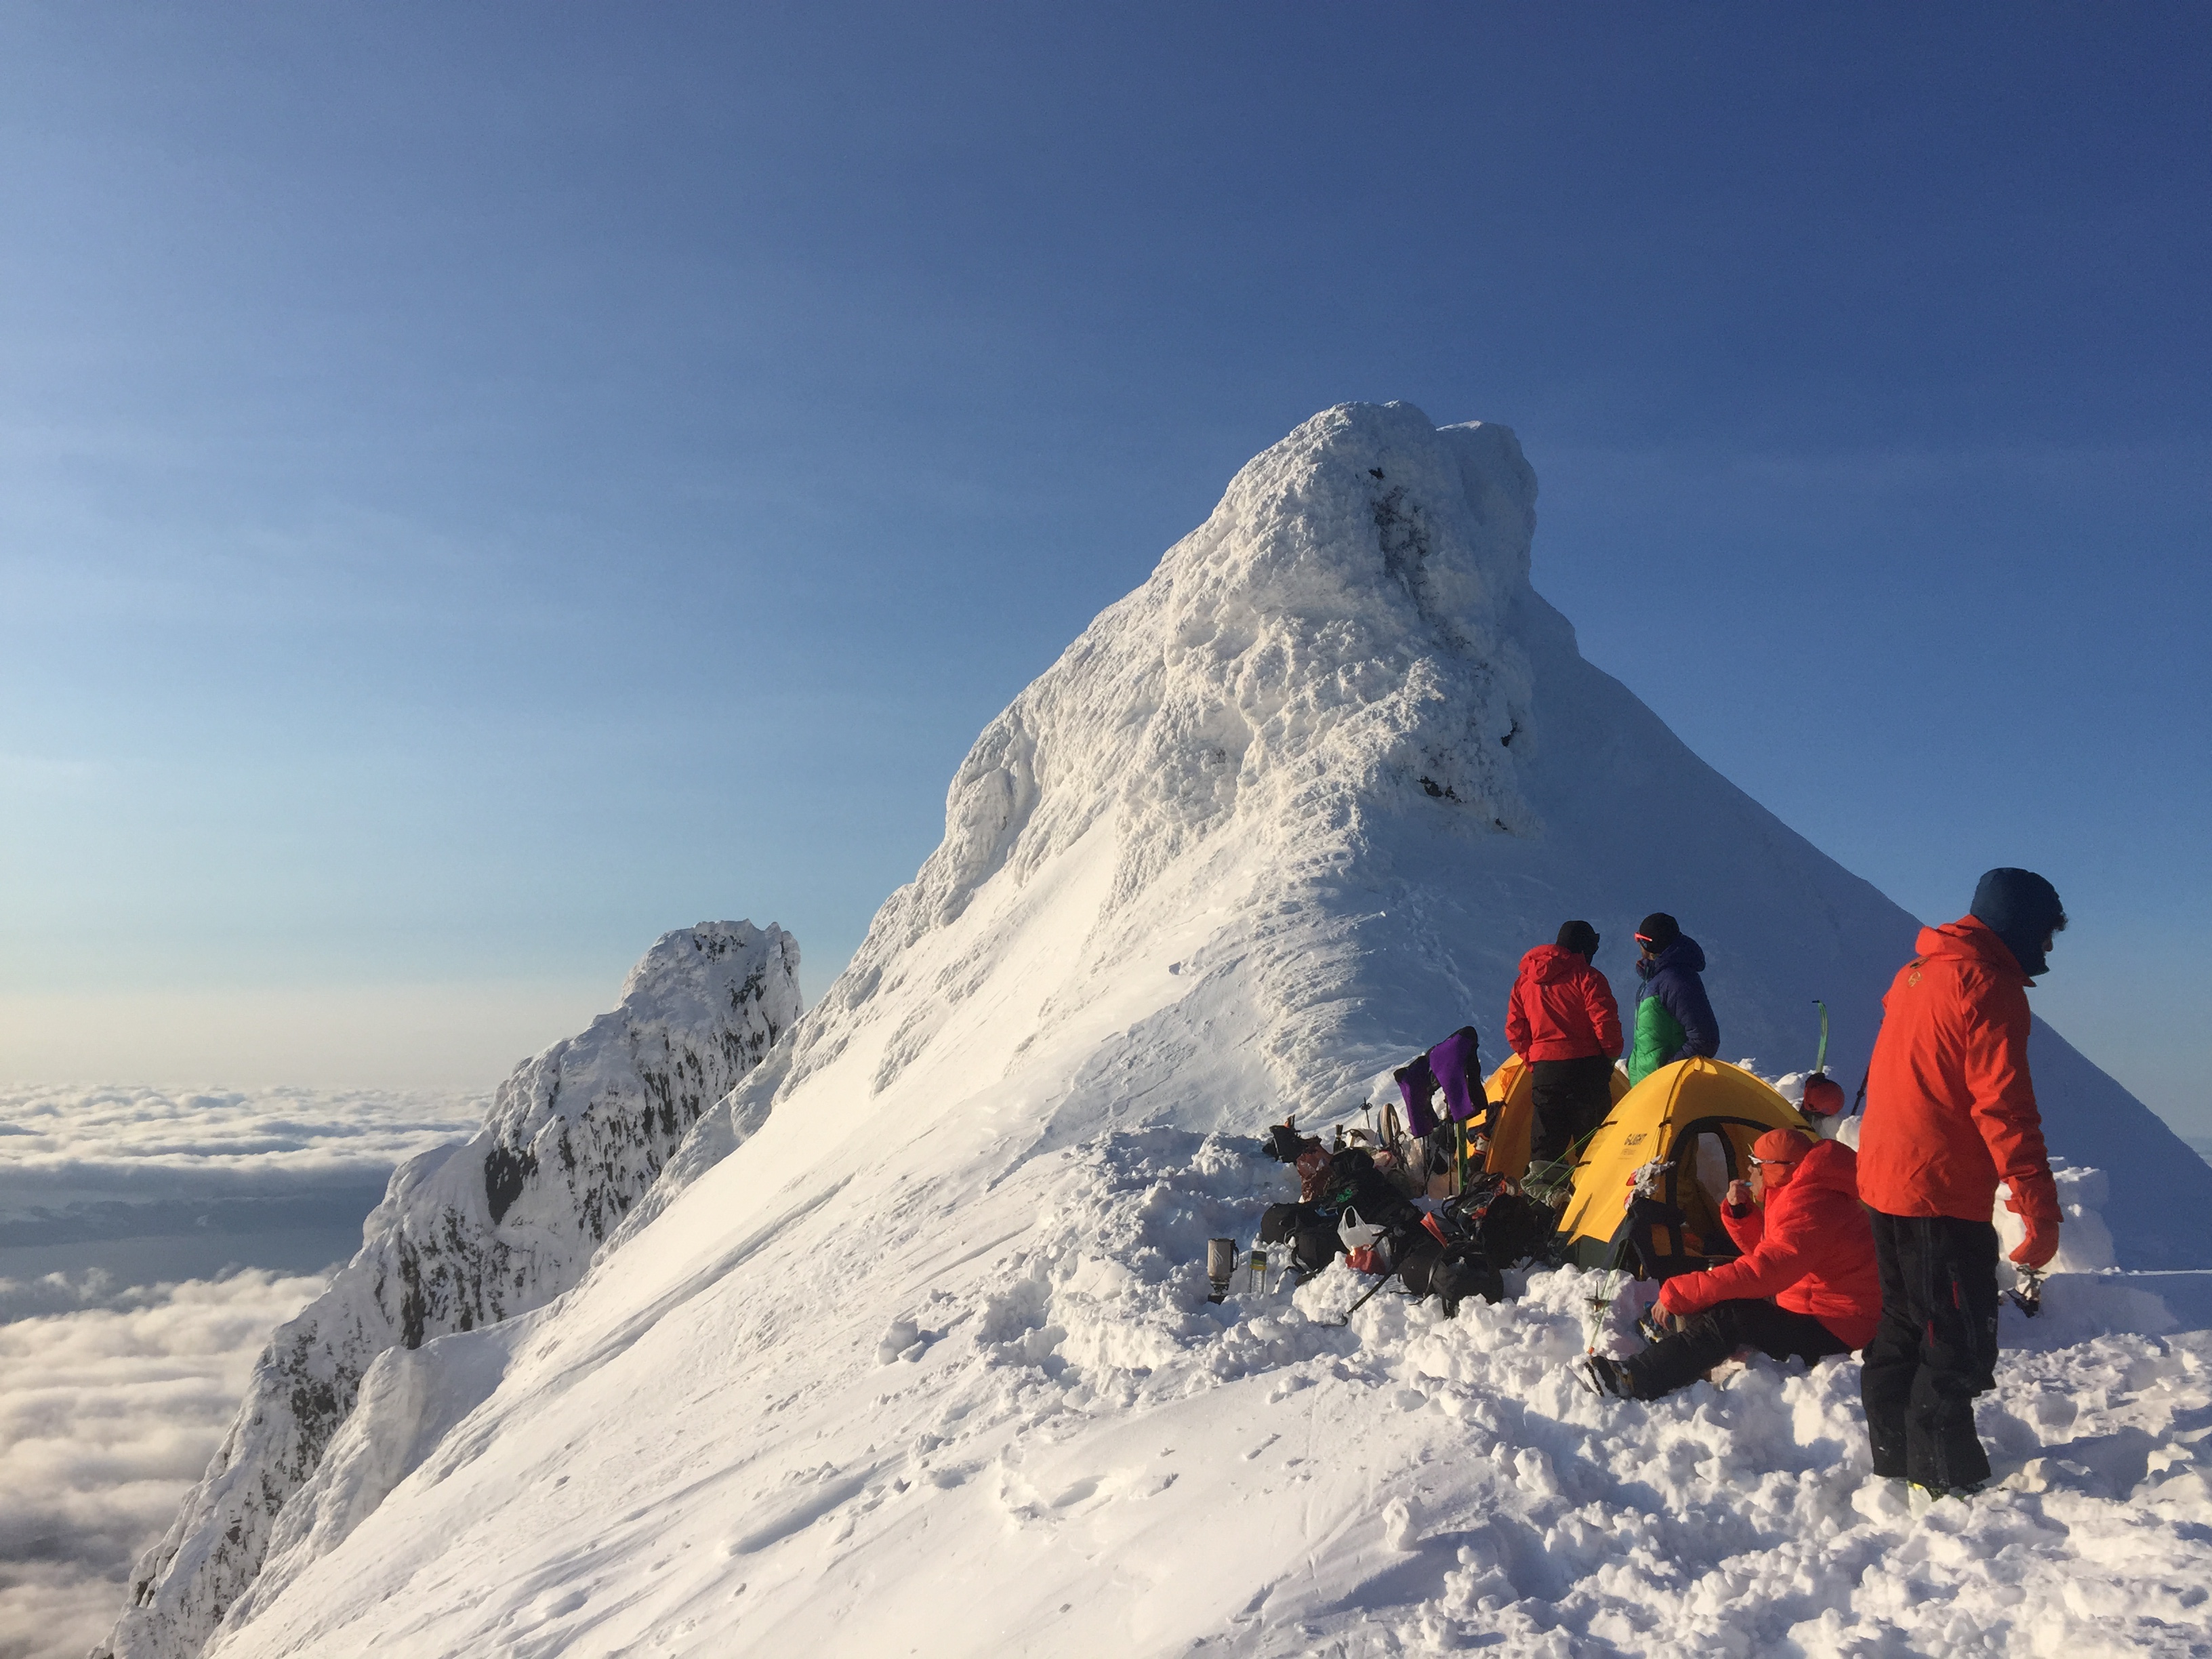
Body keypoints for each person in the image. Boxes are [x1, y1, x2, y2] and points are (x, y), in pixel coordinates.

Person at [1857, 867, 2066, 1497]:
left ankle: (1896, 1461)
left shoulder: (1917, 974)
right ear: (2020, 927)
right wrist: (2039, 1211)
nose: (2050, 950)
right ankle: (1945, 1482)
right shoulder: (1987, 986)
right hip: (1936, 1190)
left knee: (1902, 1322)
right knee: (1956, 1337)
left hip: (1885, 1177)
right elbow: (2003, 1109)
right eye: (2047, 935)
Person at [1584, 1128, 1879, 1400]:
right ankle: (1680, 1343)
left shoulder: (1811, 1205)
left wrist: (1678, 1291)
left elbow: (1766, 1272)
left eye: (1755, 1162)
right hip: (1816, 1309)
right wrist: (1741, 1215)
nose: (1749, 1169)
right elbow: (1779, 1255)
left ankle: (1637, 1378)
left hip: (1837, 1328)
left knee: (1732, 1316)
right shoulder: (1804, 1192)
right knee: (1728, 1294)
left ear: (1775, 1167)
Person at [1505, 920, 1623, 1166]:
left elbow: (1515, 1031)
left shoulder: (1524, 982)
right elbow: (1605, 1023)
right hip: (1587, 1070)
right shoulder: (1588, 977)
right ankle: (1590, 1199)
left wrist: (1535, 1061)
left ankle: (1543, 1199)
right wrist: (1608, 1058)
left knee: (1546, 1151)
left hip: (1546, 1073)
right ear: (1584, 948)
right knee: (1594, 1149)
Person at [1624, 913, 1720, 1084]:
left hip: (1668, 1091)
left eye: (1638, 938)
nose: (1637, 944)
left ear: (1648, 944)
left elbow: (1705, 1039)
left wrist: (1668, 1073)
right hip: (1647, 1090)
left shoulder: (1677, 981)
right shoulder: (1654, 980)